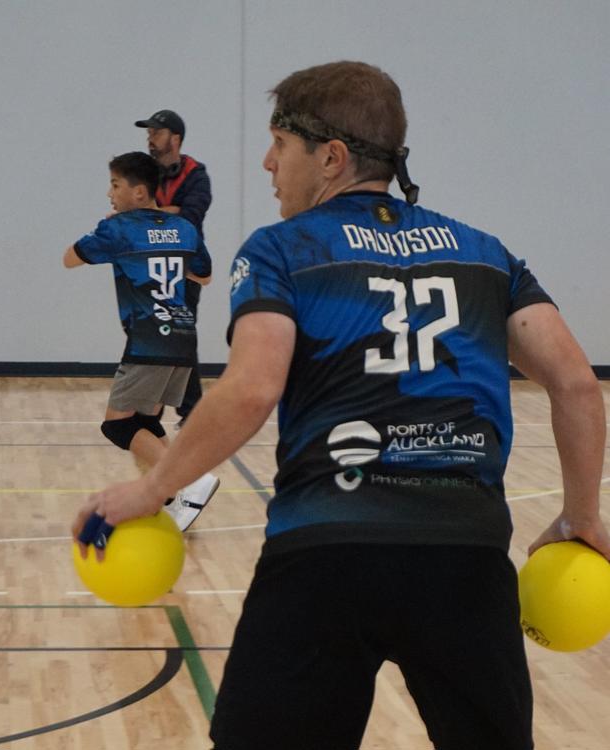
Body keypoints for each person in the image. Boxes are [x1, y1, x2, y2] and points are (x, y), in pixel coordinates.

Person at [75, 62, 610, 749]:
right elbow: (572, 382)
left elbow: (253, 387)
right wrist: (581, 515)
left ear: (330, 157)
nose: (268, 164)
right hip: (465, 557)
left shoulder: (281, 250)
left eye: (279, 146)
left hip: (324, 552)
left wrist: (153, 488)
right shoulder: (485, 254)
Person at [64, 151, 220, 532]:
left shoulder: (119, 229)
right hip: (183, 337)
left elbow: (70, 258)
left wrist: (108, 228)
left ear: (138, 192)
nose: (109, 193)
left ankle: (190, 481)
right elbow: (204, 276)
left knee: (117, 425)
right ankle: (172, 493)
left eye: (115, 185)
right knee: (146, 422)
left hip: (149, 340)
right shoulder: (183, 227)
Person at [134, 109, 212, 426]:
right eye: (149, 133)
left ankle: (191, 410)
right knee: (154, 334)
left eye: (156, 132)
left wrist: (151, 211)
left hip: (187, 267)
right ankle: (155, 409)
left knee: (180, 334)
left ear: (174, 138)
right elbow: (132, 209)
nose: (150, 138)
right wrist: (166, 211)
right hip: (149, 265)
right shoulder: (143, 171)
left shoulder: (196, 174)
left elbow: (190, 217)